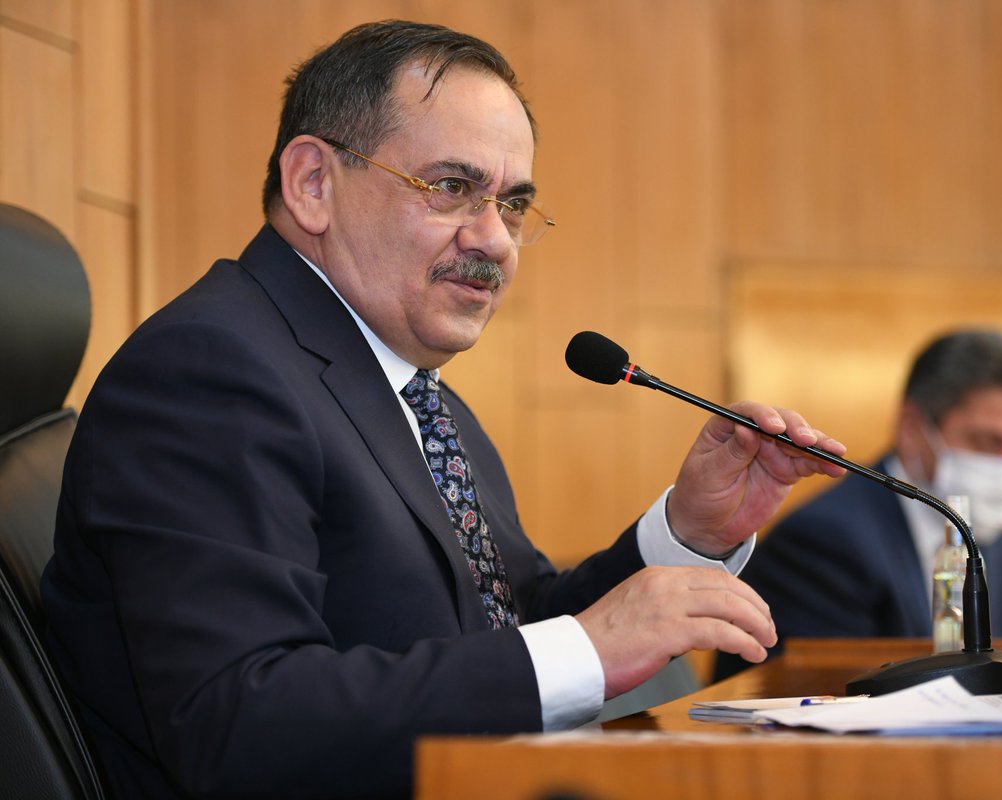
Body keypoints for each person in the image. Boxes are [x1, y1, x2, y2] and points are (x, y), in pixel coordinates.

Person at [40, 20, 846, 799]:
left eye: (513, 203)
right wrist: (587, 649)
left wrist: (688, 535)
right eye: (453, 188)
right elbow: (240, 723)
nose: (495, 240)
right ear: (313, 183)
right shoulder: (210, 372)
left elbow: (511, 629)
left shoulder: (415, 392)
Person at [713, 328, 1002, 682]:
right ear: (911, 426)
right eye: (987, 441)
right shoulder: (826, 541)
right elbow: (826, 698)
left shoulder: (1000, 546)